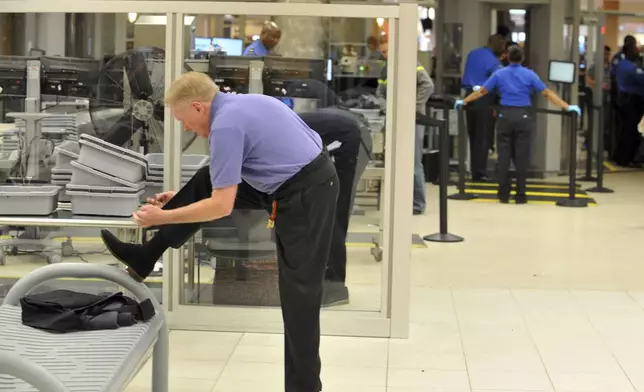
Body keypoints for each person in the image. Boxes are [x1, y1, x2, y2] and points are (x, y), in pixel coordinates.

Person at [100, 71, 338, 392]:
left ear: (198, 107)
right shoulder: (241, 105)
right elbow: (221, 183)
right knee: (204, 180)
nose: (185, 127)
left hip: (309, 193)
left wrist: (161, 217)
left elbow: (221, 207)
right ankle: (145, 256)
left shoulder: (225, 125)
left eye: (183, 120)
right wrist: (178, 202)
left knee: (300, 297)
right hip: (288, 182)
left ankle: (305, 388)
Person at [455, 45, 581, 204]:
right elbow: (547, 93)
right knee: (521, 157)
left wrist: (464, 101)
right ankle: (520, 194)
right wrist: (567, 106)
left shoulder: (499, 74)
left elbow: (482, 91)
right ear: (522, 58)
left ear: (507, 57)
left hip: (505, 116)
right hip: (523, 116)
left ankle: (503, 194)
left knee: (504, 156)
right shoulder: (530, 75)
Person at [298, 107, 372, 307]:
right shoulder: (272, 127)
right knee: (325, 212)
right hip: (343, 136)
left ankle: (335, 287)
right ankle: (323, 281)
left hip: (353, 139)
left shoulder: (272, 133)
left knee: (336, 213)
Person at [377, 40, 434, 215]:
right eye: (383, 53)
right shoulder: (386, 69)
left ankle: (418, 204)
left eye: (387, 51)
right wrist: (387, 107)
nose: (385, 56)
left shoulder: (412, 65)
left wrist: (412, 107)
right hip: (394, 119)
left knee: (414, 163)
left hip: (413, 121)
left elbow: (428, 85)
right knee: (395, 160)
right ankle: (399, 201)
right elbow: (380, 92)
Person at [461, 34, 506, 180]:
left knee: (473, 135)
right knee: (483, 137)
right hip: (483, 98)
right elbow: (497, 82)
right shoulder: (494, 62)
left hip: (469, 96)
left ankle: (474, 170)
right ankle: (479, 173)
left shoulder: (473, 54)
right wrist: (497, 106)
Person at [614, 44, 644, 167]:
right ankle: (625, 158)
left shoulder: (631, 63)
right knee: (630, 130)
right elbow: (635, 78)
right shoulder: (625, 65)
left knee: (630, 130)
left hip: (633, 100)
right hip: (630, 101)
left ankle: (626, 157)